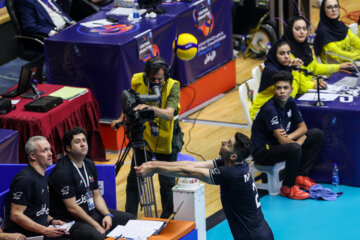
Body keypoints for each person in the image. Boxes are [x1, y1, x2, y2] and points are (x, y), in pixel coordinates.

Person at [135, 132, 274, 240]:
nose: (223, 142)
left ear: (233, 156)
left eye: (228, 144)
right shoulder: (234, 163)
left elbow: (188, 172)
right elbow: (191, 165)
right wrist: (152, 165)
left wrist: (155, 169)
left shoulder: (231, 174)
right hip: (258, 233)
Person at [111, 57, 182, 219]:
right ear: (146, 75)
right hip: (143, 137)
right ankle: (129, 218)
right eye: (153, 79)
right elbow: (130, 102)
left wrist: (150, 108)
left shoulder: (173, 87)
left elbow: (169, 114)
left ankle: (167, 218)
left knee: (167, 182)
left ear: (166, 76)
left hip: (167, 139)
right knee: (134, 179)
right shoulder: (137, 80)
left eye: (160, 79)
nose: (156, 82)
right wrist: (121, 119)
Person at [48, 127, 135, 240]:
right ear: (68, 148)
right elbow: (72, 207)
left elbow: (96, 195)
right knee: (97, 236)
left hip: (90, 211)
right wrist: (95, 224)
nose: (83, 144)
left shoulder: (89, 164)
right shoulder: (62, 172)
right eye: (77, 142)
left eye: (84, 140)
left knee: (130, 219)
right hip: (69, 219)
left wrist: (107, 215)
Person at [251, 71, 324, 200]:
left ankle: (299, 177)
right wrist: (296, 141)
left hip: (279, 144)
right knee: (294, 148)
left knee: (316, 134)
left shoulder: (290, 102)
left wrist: (290, 138)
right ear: (274, 90)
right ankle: (287, 187)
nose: (282, 91)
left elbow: (303, 128)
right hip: (263, 151)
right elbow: (283, 142)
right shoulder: (270, 109)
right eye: (278, 88)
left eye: (285, 88)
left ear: (291, 89)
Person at [3, 136, 69, 239]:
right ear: (33, 156)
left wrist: (52, 221)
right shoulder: (26, 180)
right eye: (44, 150)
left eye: (50, 149)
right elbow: (16, 215)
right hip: (25, 236)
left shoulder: (41, 175)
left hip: (41, 231)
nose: (50, 153)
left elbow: (37, 210)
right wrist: (45, 230)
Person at [282, 16, 352, 89]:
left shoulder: (306, 48)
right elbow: (295, 84)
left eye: (304, 28)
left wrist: (340, 66)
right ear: (290, 31)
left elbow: (316, 68)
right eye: (297, 29)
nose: (302, 32)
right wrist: (313, 85)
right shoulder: (286, 53)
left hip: (310, 89)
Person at [250, 40, 304, 120]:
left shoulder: (284, 66)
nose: (286, 56)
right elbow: (289, 95)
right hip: (261, 114)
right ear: (274, 55)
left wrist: (297, 69)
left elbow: (301, 87)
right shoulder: (272, 72)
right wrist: (296, 71)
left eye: (288, 53)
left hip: (276, 108)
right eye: (282, 53)